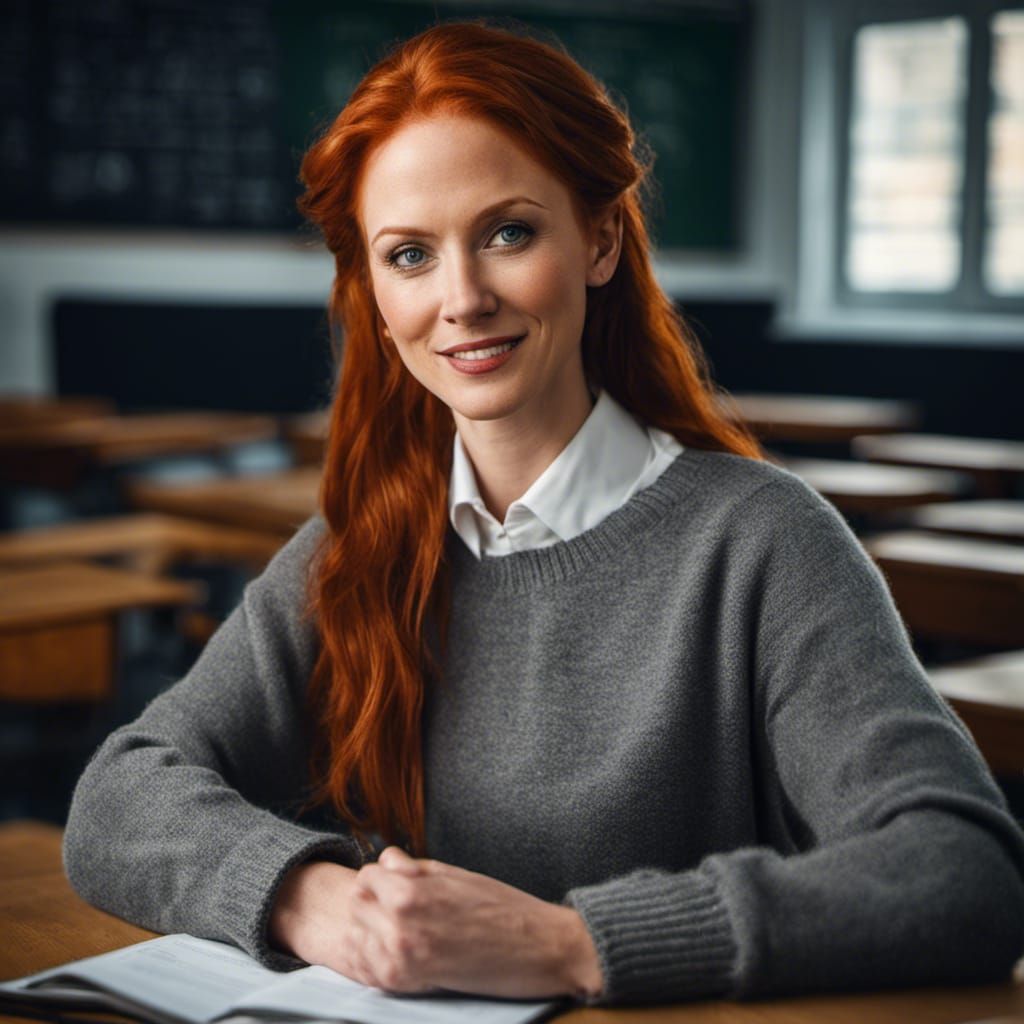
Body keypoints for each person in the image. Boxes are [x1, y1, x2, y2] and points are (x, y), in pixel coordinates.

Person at [64, 21, 1024, 1008]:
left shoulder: (761, 544)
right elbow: (118, 796)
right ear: (371, 294)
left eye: (507, 233)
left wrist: (572, 946)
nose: (462, 297)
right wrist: (318, 902)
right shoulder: (359, 550)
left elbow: (957, 870)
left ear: (600, 239)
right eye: (408, 256)